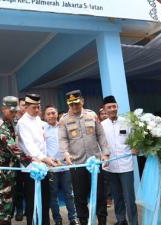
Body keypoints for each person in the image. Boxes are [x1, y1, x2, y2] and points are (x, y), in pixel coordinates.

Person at [58, 90, 109, 225]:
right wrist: (66, 154)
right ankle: (84, 222)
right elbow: (63, 140)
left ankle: (102, 221)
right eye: (71, 104)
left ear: (82, 101)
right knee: (80, 198)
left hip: (95, 164)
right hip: (77, 165)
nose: (74, 106)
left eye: (77, 103)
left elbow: (101, 135)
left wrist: (105, 153)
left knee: (100, 195)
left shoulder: (92, 115)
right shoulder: (64, 120)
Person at [0, 96, 32, 225]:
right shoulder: (1, 125)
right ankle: (1, 222)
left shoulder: (10, 123)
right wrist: (33, 163)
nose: (14, 114)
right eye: (11, 111)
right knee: (3, 199)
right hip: (2, 169)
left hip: (9, 168)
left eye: (15, 111)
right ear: (3, 109)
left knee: (8, 199)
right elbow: (13, 148)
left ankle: (5, 220)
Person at [16, 94, 57, 225]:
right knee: (33, 202)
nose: (37, 110)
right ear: (26, 107)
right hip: (31, 170)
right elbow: (30, 147)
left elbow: (44, 141)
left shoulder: (38, 119)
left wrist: (48, 159)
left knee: (45, 201)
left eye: (38, 107)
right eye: (34, 107)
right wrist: (45, 159)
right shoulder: (22, 123)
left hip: (43, 168)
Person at [101, 96, 138, 225]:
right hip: (111, 167)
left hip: (126, 166)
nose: (112, 109)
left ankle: (134, 222)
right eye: (109, 107)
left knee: (129, 198)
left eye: (114, 106)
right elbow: (100, 144)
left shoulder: (127, 122)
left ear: (117, 107)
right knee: (117, 197)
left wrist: (135, 147)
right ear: (104, 109)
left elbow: (135, 140)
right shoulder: (102, 126)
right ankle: (121, 220)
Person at [43, 105, 79, 225]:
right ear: (45, 116)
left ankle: (73, 218)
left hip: (65, 166)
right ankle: (57, 220)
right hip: (51, 168)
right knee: (53, 196)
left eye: (53, 113)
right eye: (48, 113)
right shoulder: (42, 128)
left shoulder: (63, 127)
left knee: (69, 194)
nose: (51, 115)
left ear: (57, 114)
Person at [13, 96, 27, 221]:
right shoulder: (11, 121)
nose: (25, 107)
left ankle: (29, 209)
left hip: (29, 158)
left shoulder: (33, 120)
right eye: (23, 105)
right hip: (16, 159)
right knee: (18, 186)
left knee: (29, 184)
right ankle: (19, 209)